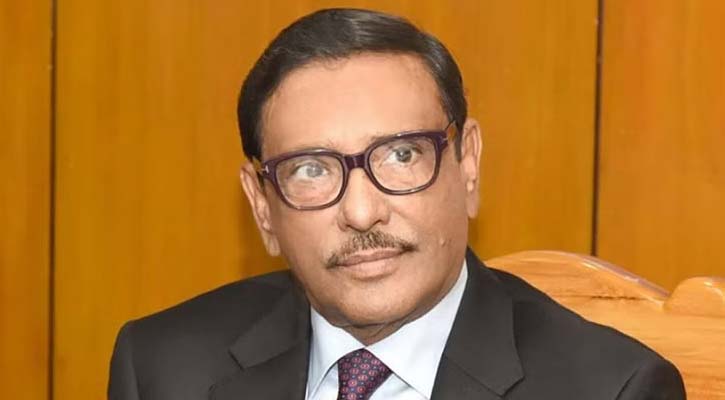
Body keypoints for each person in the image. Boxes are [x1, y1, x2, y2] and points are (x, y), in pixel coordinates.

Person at [109, 8, 685, 400]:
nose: (362, 213)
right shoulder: (162, 368)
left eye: (401, 156)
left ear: (468, 165)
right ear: (262, 206)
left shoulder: (613, 389)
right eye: (311, 170)